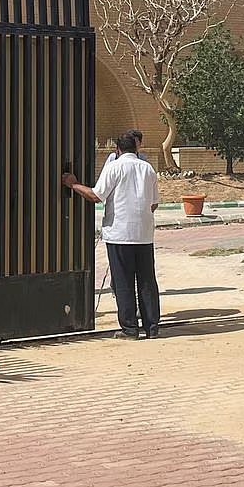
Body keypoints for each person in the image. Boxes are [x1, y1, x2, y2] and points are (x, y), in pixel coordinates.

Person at [63, 131, 161, 339]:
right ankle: (152, 327)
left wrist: (72, 183)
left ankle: (130, 329)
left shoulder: (114, 167)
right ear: (136, 148)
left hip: (119, 234)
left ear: (117, 149)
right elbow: (154, 203)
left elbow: (96, 195)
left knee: (123, 281)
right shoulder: (148, 169)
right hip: (144, 234)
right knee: (146, 281)